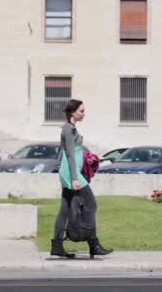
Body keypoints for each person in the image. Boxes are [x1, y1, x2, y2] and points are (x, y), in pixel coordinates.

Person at [51, 99, 112, 258]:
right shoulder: (69, 129)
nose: (84, 114)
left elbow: (72, 153)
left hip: (69, 172)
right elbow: (70, 154)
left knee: (64, 210)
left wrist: (86, 159)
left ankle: (57, 246)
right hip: (72, 174)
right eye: (81, 111)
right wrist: (74, 178)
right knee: (91, 204)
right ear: (73, 112)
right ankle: (94, 244)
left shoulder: (69, 128)